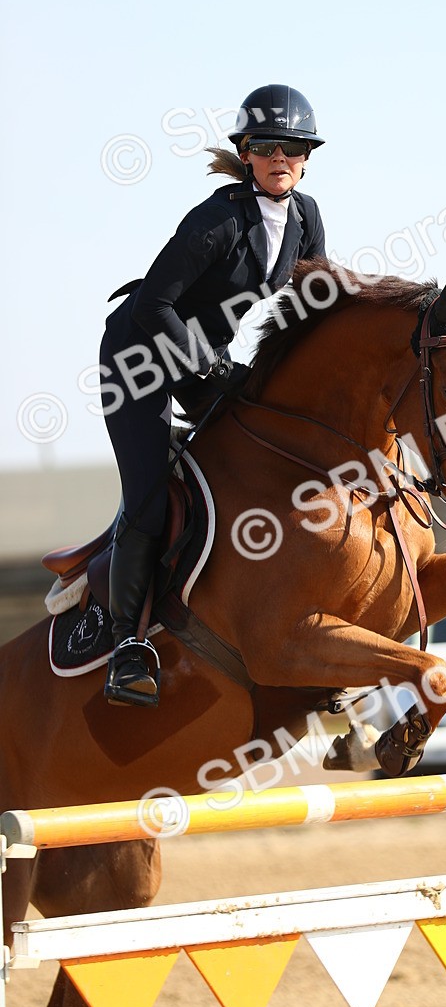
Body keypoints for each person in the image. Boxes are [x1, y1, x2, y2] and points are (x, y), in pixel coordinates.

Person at [99, 84, 327, 708]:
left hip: (206, 360)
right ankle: (126, 647)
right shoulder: (219, 217)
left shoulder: (306, 217)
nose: (281, 157)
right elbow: (153, 304)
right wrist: (210, 368)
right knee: (147, 498)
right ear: (247, 153)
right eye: (267, 146)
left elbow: (314, 307)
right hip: (140, 356)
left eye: (293, 147)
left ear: (306, 156)